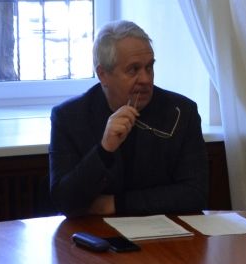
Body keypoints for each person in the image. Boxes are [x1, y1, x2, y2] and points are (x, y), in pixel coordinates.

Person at [49, 20, 208, 217]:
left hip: (163, 231)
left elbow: (195, 193)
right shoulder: (69, 117)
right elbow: (64, 201)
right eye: (133, 69)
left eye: (149, 67)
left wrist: (118, 203)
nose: (146, 79)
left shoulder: (181, 112)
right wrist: (104, 150)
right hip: (96, 232)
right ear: (103, 75)